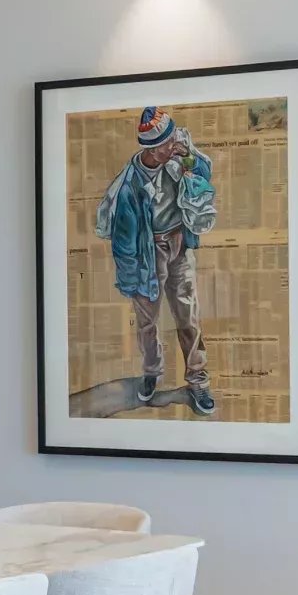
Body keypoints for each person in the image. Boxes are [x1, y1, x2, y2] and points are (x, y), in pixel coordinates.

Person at [94, 106, 219, 415]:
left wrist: (189, 157)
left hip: (180, 245)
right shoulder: (130, 188)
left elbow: (204, 173)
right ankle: (152, 373)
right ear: (152, 148)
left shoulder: (177, 159)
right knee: (147, 321)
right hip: (147, 255)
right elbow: (124, 245)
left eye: (174, 139)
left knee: (188, 316)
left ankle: (198, 379)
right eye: (168, 142)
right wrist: (131, 281)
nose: (175, 145)